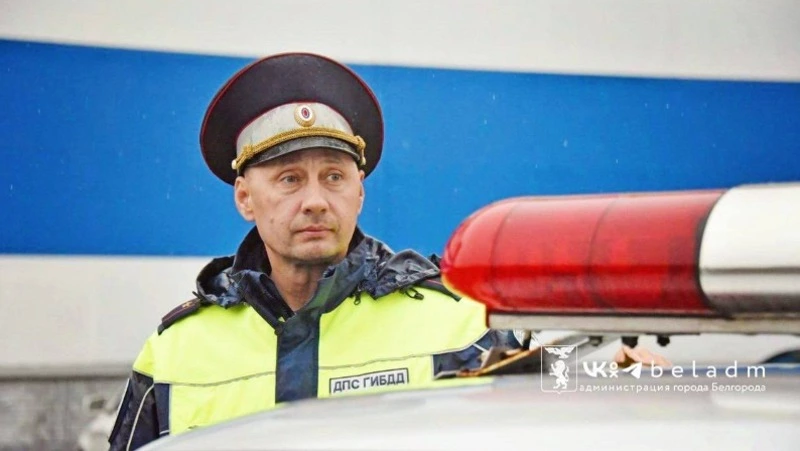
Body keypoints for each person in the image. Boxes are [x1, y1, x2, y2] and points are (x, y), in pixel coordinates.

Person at [108, 52, 668, 450]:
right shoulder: (174, 352)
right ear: (244, 198)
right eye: (288, 179)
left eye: (333, 176)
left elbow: (541, 416)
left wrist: (613, 388)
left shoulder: (458, 324)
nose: (315, 201)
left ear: (359, 192)